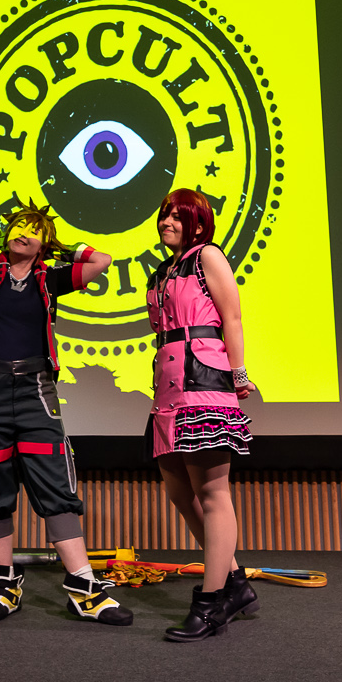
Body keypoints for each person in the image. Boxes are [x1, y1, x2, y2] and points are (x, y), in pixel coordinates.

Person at [0, 201, 129, 626]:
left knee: (55, 480)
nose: (22, 232)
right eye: (17, 226)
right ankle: (4, 586)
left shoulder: (51, 278)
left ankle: (83, 589)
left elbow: (102, 260)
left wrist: (60, 246)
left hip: (35, 389)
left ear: (45, 243)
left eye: (32, 229)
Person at [146, 188, 256, 642]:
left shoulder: (207, 255)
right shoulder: (162, 270)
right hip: (168, 384)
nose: (167, 221)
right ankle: (235, 583)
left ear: (197, 222)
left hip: (204, 380)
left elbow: (232, 317)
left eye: (177, 215)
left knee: (212, 492)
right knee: (178, 490)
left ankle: (211, 604)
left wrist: (239, 373)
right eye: (164, 214)